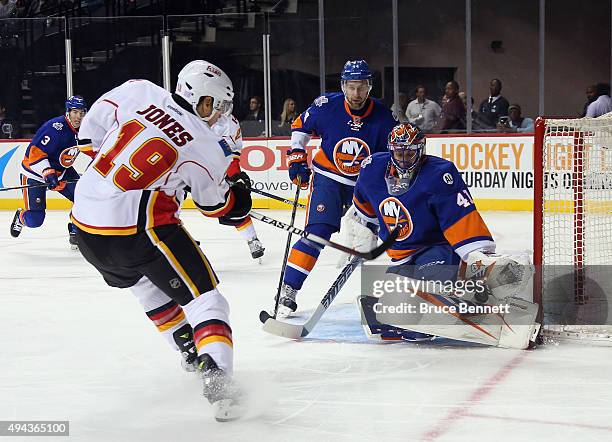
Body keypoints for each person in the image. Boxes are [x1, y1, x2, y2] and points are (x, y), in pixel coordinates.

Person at [70, 61, 250, 422]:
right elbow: (215, 205)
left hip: (85, 224)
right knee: (206, 299)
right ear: (202, 100)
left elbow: (90, 129)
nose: (217, 115)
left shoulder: (139, 89)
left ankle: (189, 352)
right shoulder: (205, 145)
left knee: (144, 286)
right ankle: (220, 382)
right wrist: (238, 197)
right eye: (216, 106)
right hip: (138, 226)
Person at [352, 123, 538, 348]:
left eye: (410, 153)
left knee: (425, 295)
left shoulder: (440, 173)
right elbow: (364, 205)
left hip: (437, 248)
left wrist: (478, 256)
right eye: (399, 153)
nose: (403, 159)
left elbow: (459, 215)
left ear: (421, 151)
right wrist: (362, 230)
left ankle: (485, 301)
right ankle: (427, 314)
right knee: (393, 299)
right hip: (402, 257)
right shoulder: (372, 169)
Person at [275, 59, 397, 318]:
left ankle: (414, 292)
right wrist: (297, 156)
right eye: (351, 87)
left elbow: (391, 157)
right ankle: (289, 289)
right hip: (328, 179)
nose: (356, 94)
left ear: (369, 87)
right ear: (343, 86)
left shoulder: (384, 116)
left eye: (361, 87)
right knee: (317, 234)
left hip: (363, 186)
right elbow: (300, 127)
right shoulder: (325, 106)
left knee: (394, 232)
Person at [9, 95, 88, 249]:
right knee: (35, 220)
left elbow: (94, 150)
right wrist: (48, 173)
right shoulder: (54, 128)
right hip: (34, 173)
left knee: (85, 199)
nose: (78, 117)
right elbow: (35, 154)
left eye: (82, 112)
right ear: (68, 112)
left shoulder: (87, 129)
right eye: (75, 112)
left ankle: (75, 230)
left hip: (62, 172)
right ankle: (21, 217)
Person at [208, 109, 265, 260]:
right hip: (192, 162)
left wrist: (235, 176)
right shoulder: (193, 115)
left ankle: (252, 239)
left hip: (216, 164)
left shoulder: (229, 123)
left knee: (235, 204)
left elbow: (230, 153)